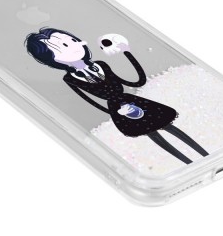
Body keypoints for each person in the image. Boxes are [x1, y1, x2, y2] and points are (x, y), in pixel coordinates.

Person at [25, 27, 209, 164]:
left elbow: (137, 82)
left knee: (169, 127)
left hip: (133, 101)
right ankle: (187, 162)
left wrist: (126, 51)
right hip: (119, 111)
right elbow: (90, 101)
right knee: (153, 135)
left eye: (72, 41)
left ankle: (205, 155)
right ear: (52, 58)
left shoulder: (101, 65)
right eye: (63, 46)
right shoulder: (70, 78)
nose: (73, 46)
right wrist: (115, 112)